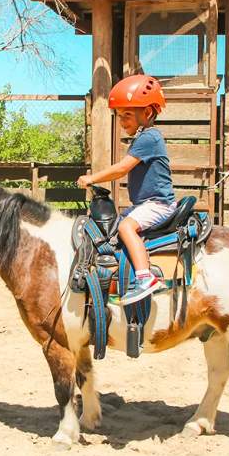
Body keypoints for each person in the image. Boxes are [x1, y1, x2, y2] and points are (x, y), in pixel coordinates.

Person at [77, 74, 175, 305]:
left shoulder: (150, 137)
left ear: (148, 113)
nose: (122, 122)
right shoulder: (144, 137)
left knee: (125, 226)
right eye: (119, 116)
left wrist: (92, 178)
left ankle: (144, 278)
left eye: (127, 115)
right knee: (114, 229)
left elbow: (122, 169)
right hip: (145, 204)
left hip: (158, 204)